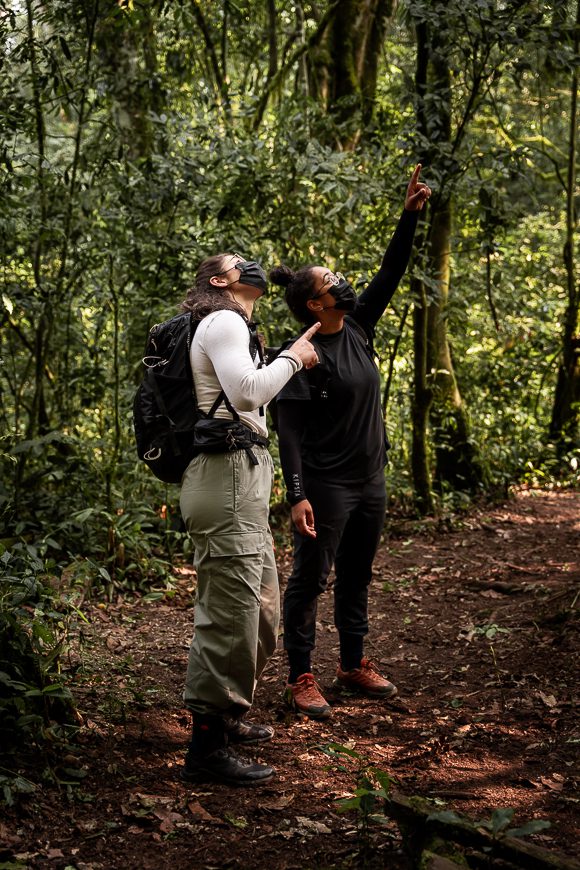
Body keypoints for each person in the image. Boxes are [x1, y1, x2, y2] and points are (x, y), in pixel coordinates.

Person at [270, 165, 431, 719]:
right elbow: (286, 432)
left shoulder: (358, 326)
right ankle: (300, 675)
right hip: (326, 482)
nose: (342, 282)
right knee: (311, 577)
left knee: (358, 574)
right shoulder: (298, 356)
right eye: (330, 281)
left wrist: (407, 217)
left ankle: (353, 663)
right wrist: (296, 495)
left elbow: (391, 270)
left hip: (370, 478)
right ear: (315, 304)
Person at [179, 252, 319, 784]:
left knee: (261, 610)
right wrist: (294, 358)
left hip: (242, 473)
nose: (255, 267)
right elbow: (247, 392)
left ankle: (229, 714)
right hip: (225, 475)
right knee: (232, 613)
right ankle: (205, 749)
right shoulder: (223, 320)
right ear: (219, 282)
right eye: (241, 264)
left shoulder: (231, 325)